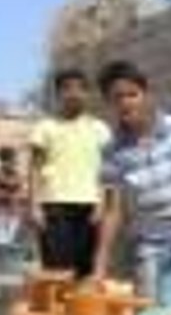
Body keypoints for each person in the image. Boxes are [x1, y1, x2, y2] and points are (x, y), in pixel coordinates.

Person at [91, 61, 171, 305]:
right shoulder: (112, 152)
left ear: (146, 94)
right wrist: (100, 265)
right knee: (152, 313)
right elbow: (112, 210)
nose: (126, 102)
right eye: (117, 97)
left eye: (132, 94)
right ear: (109, 103)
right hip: (152, 239)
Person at [28, 68, 111, 276]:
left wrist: (101, 204)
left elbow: (107, 172)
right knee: (57, 270)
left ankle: (78, 308)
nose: (73, 93)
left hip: (89, 207)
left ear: (87, 94)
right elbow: (35, 168)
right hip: (55, 206)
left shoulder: (100, 129)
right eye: (67, 89)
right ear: (58, 94)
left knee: (85, 270)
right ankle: (56, 309)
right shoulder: (45, 127)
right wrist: (34, 206)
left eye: (80, 88)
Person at [0, 146, 27, 248]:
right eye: (13, 160)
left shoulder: (15, 173)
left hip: (12, 211)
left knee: (8, 239)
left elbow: (19, 189)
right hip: (2, 210)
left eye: (14, 160)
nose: (15, 163)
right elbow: (9, 185)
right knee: (2, 240)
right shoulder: (0, 173)